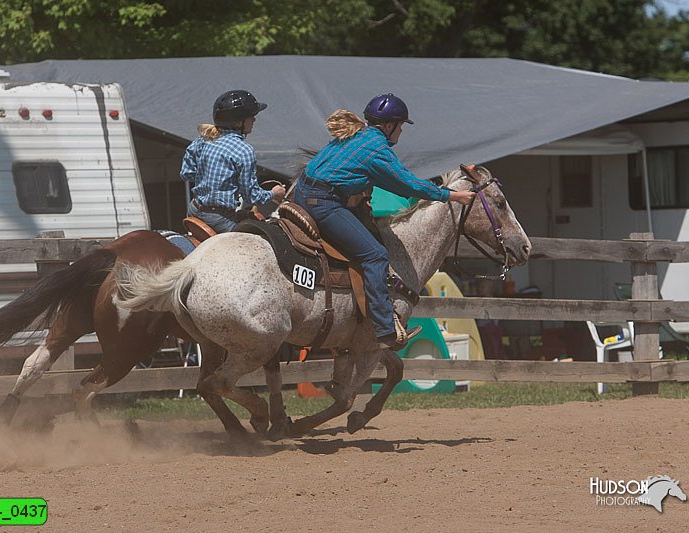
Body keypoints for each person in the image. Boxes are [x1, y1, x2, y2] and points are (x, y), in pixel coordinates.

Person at [293, 93, 476, 350]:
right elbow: (408, 185)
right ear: (389, 126)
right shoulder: (377, 149)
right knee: (376, 255)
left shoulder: (355, 135)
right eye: (400, 126)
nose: (401, 131)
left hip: (301, 194)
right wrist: (453, 195)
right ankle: (384, 328)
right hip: (325, 203)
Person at [181, 90, 286, 233]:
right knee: (259, 241)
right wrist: (274, 194)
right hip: (219, 218)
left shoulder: (203, 138)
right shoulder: (244, 150)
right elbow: (252, 197)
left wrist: (210, 181)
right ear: (238, 122)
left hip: (194, 209)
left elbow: (186, 174)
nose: (254, 120)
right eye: (251, 117)